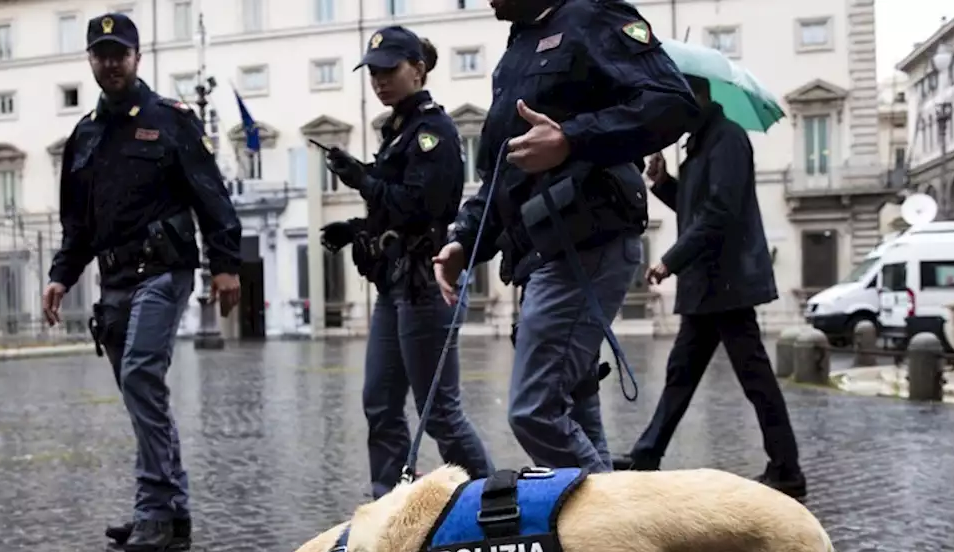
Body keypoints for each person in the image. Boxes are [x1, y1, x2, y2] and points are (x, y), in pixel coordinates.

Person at [432, 0, 699, 475]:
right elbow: (501, 172)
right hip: (538, 254)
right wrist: (464, 240)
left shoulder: (592, 15)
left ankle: (615, 530)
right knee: (574, 414)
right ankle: (603, 545)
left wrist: (572, 138)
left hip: (585, 244)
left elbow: (671, 101)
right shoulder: (516, 48)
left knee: (534, 411)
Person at [42, 12, 243, 552]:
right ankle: (175, 513)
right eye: (101, 54)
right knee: (141, 394)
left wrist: (225, 263)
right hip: (113, 280)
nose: (111, 62)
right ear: (90, 60)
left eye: (120, 53)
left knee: (139, 375)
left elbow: (212, 195)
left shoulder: (171, 119)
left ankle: (152, 508)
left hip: (164, 270)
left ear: (137, 57)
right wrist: (62, 275)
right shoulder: (83, 135)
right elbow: (77, 223)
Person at [611, 77, 807, 499]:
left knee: (756, 380)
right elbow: (695, 206)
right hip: (707, 285)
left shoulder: (727, 139)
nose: (674, 115)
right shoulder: (700, 143)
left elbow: (720, 212)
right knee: (680, 374)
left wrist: (669, 260)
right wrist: (663, 182)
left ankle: (787, 469)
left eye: (679, 103)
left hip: (728, 282)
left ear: (698, 97)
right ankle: (647, 454)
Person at [320, 26, 494, 499]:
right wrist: (357, 228)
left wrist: (363, 180)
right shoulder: (399, 130)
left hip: (425, 286)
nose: (378, 81)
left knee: (439, 411)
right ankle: (391, 505)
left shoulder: (433, 131)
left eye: (389, 70)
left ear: (417, 69)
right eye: (373, 73)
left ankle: (497, 500)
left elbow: (421, 207)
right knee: (379, 402)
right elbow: (391, 212)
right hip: (395, 286)